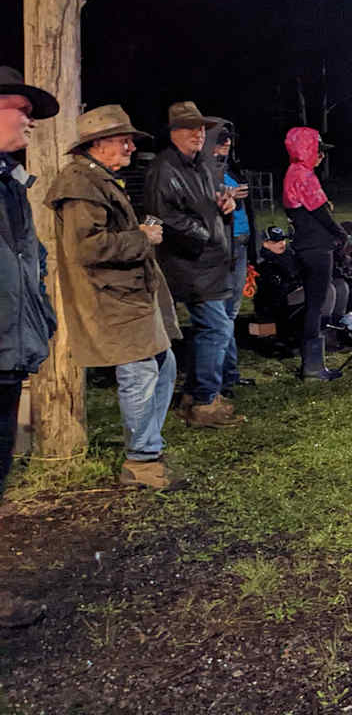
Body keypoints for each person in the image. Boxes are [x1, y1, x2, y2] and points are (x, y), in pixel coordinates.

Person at [45, 105, 183, 490]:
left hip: (130, 295)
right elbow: (87, 248)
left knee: (164, 365)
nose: (130, 146)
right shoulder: (79, 184)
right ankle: (141, 460)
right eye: (123, 139)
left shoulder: (99, 179)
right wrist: (143, 237)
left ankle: (148, 449)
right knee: (140, 375)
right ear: (97, 144)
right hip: (112, 299)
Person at [144, 102, 244, 429]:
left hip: (210, 262)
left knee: (210, 330)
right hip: (190, 263)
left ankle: (195, 396)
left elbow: (210, 202)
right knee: (216, 328)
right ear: (173, 132)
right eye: (190, 128)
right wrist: (205, 235)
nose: (199, 134)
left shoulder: (200, 165)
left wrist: (225, 205)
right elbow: (166, 217)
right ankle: (204, 402)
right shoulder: (164, 169)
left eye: (202, 128)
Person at [0, 66, 58, 629]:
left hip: (8, 350)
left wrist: (42, 319)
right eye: (21, 108)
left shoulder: (11, 184)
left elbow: (30, 262)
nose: (30, 120)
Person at [282, 127, 345, 381]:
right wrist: (340, 234)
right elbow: (321, 213)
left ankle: (312, 364)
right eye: (318, 150)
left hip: (304, 245)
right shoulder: (304, 175)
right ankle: (313, 366)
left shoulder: (290, 173)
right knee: (316, 305)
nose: (321, 156)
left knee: (313, 303)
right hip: (317, 247)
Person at [203, 120, 256, 396]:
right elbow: (199, 205)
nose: (227, 143)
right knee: (223, 314)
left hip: (240, 243)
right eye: (221, 138)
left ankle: (230, 373)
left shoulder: (228, 168)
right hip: (223, 247)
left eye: (229, 138)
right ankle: (220, 378)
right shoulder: (203, 170)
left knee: (231, 313)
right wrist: (226, 195)